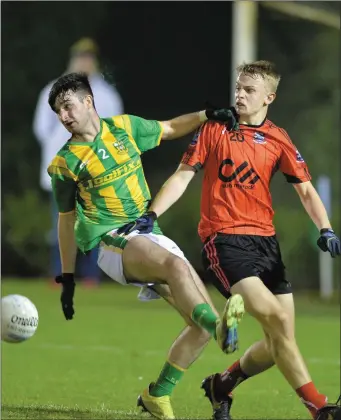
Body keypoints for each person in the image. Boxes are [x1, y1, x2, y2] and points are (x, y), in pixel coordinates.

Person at [122, 60, 341, 420]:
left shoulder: (278, 138)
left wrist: (326, 228)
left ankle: (221, 385)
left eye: (248, 90)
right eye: (238, 87)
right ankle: (318, 408)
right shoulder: (215, 129)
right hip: (224, 241)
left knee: (278, 342)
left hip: (267, 245)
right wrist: (152, 213)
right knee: (275, 320)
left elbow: (305, 190)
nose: (239, 94)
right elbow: (183, 176)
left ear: (269, 97)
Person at [46, 72, 245, 420]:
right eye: (58, 112)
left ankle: (157, 394)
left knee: (196, 326)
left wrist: (206, 116)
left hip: (148, 233)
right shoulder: (64, 163)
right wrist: (67, 277)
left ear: (88, 101)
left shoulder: (124, 128)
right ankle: (220, 328)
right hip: (112, 242)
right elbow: (65, 219)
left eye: (67, 106)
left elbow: (168, 128)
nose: (64, 117)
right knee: (177, 268)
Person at [33, 37, 124, 285]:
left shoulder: (106, 95)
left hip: (94, 170)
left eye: (89, 58)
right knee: (62, 223)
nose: (84, 63)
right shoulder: (53, 90)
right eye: (81, 57)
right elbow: (42, 129)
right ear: (72, 60)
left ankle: (91, 277)